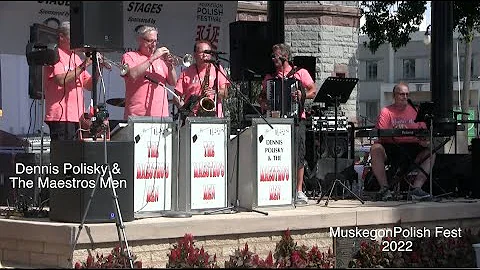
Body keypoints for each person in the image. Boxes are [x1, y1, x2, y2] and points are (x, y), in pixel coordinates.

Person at [259, 43, 317, 205]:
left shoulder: (300, 73)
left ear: (284, 56)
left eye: (275, 56)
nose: (273, 59)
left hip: (297, 118)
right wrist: (265, 102)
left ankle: (298, 190)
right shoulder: (270, 78)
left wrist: (301, 94)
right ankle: (277, 187)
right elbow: (262, 97)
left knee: (298, 153)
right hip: (275, 121)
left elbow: (313, 90)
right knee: (276, 154)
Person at [370, 82, 434, 201]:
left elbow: (423, 132)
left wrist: (424, 141)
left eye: (406, 94)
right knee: (375, 149)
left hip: (412, 148)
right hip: (392, 148)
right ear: (394, 96)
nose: (405, 97)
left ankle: (416, 189)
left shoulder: (415, 111)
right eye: (401, 94)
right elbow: (381, 134)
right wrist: (395, 130)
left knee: (431, 152)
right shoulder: (386, 111)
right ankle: (384, 189)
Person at [43, 21, 94, 141]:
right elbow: (60, 80)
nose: (77, 41)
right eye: (73, 37)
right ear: (61, 37)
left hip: (78, 117)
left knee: (74, 157)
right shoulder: (54, 54)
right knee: (63, 156)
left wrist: (97, 68)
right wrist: (84, 65)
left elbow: (89, 85)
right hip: (60, 116)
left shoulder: (76, 57)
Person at [122, 25, 177, 119]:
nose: (153, 44)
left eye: (155, 41)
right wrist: (153, 58)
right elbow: (133, 74)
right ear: (140, 40)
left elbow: (173, 82)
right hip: (137, 115)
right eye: (149, 40)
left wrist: (170, 66)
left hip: (161, 116)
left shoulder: (161, 60)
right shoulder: (129, 56)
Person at [174, 39, 229, 118]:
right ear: (195, 54)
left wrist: (215, 92)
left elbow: (225, 93)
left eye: (208, 52)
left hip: (214, 115)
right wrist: (185, 111)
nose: (205, 55)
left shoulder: (217, 68)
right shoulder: (186, 72)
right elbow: (176, 97)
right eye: (202, 52)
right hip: (192, 116)